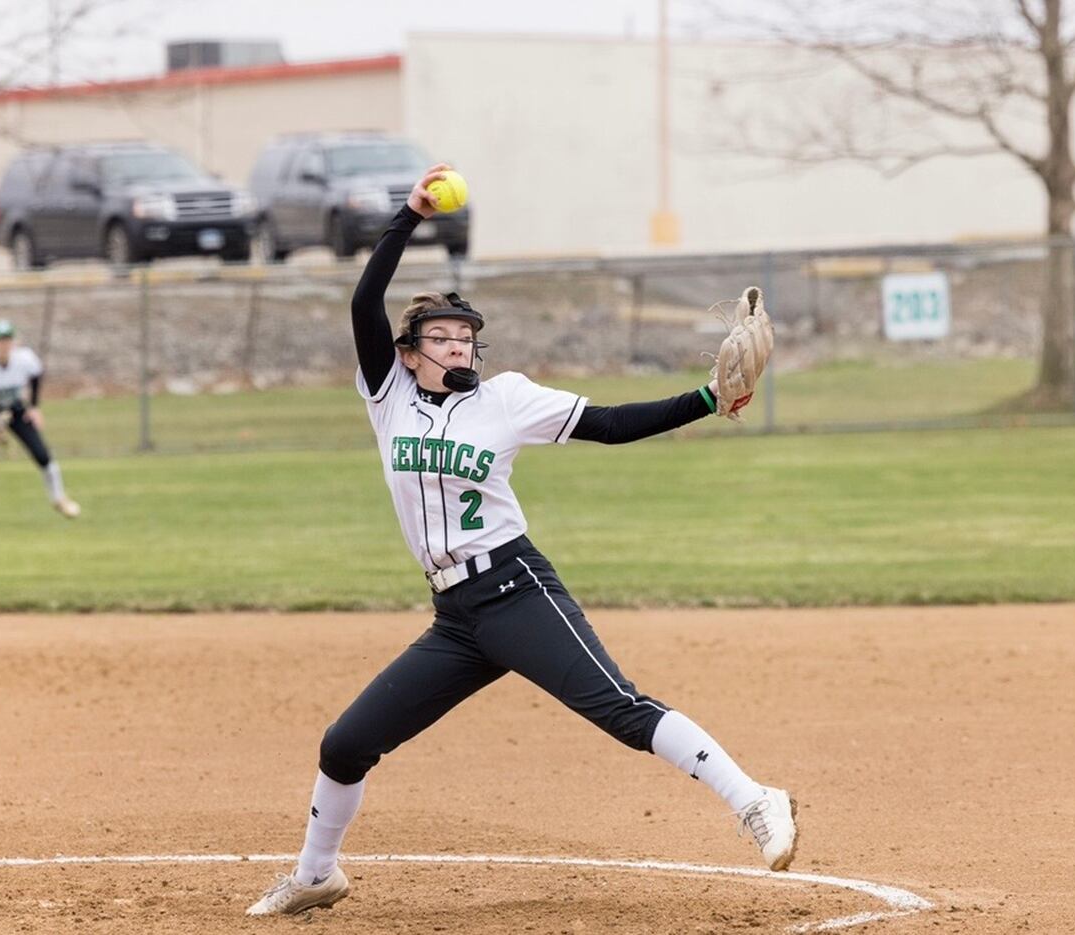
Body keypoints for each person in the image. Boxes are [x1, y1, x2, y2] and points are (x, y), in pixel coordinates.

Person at [246, 165, 797, 916]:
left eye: (468, 338)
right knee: (345, 743)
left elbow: (609, 422)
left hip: (514, 589)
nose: (459, 348)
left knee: (621, 708)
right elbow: (362, 299)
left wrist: (707, 399)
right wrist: (408, 216)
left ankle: (755, 797)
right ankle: (316, 873)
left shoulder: (507, 401)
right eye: (442, 337)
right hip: (455, 617)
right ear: (410, 352)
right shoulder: (389, 396)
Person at [0, 319, 79, 528]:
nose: (4, 345)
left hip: (15, 409)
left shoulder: (25, 359)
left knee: (42, 454)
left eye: (8, 340)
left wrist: (34, 408)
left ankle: (60, 499)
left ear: (14, 342)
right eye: (0, 341)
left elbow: (36, 377)